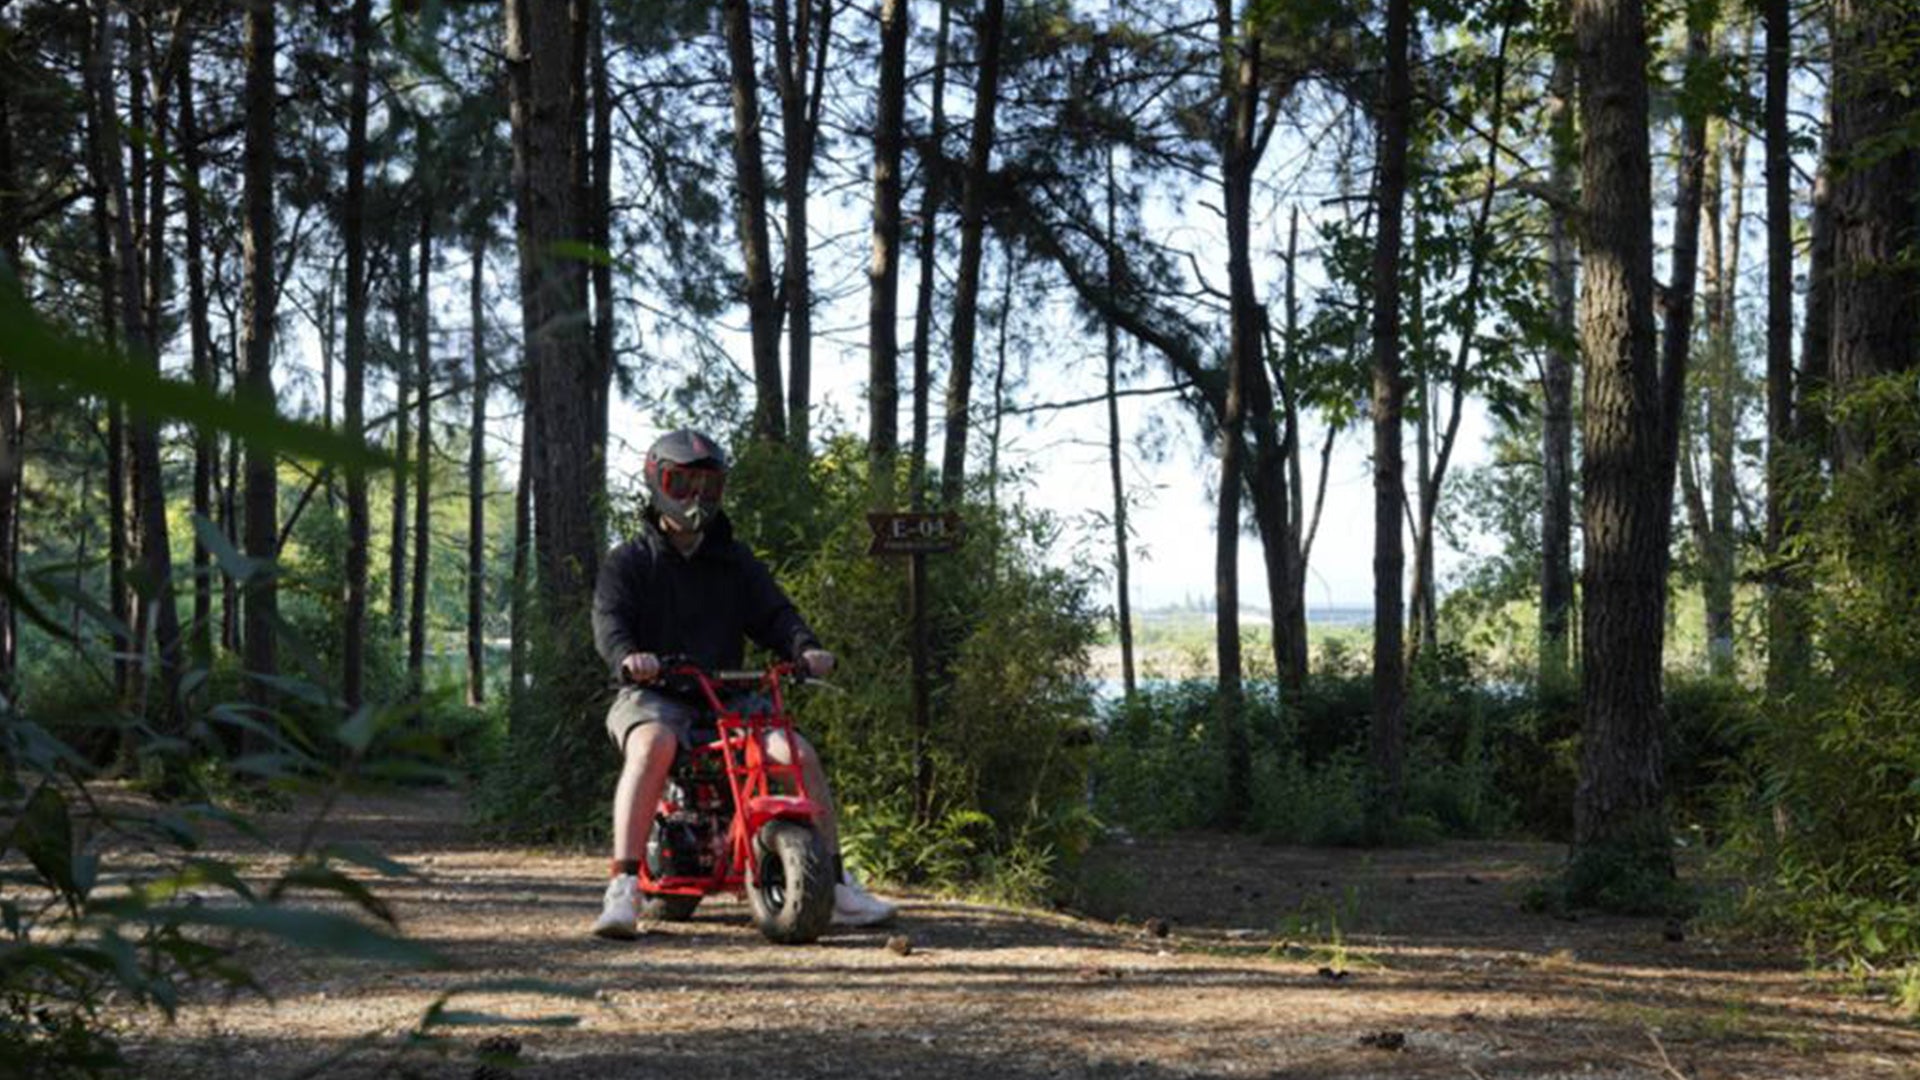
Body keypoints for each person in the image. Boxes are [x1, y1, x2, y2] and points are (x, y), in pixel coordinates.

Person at [589, 428, 896, 940]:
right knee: (652, 744)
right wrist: (628, 657)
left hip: (726, 696)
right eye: (682, 483)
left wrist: (804, 648)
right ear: (657, 482)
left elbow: (776, 614)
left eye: (709, 487)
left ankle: (835, 885)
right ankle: (623, 885)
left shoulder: (734, 561)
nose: (696, 498)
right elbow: (609, 621)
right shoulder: (630, 562)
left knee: (796, 752)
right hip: (653, 694)